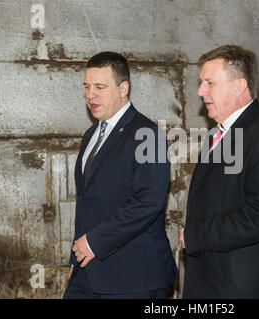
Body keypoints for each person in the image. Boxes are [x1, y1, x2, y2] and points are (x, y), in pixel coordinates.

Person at [179, 45, 259, 298]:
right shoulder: (219, 133)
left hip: (239, 289)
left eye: (210, 83)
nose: (201, 91)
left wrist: (196, 235)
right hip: (211, 285)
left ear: (239, 86)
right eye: (201, 83)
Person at [63, 51, 178, 298]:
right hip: (87, 272)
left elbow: (149, 201)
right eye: (87, 86)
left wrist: (93, 242)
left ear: (123, 88)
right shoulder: (89, 136)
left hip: (132, 276)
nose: (90, 95)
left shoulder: (149, 135)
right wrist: (76, 259)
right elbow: (87, 204)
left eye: (100, 87)